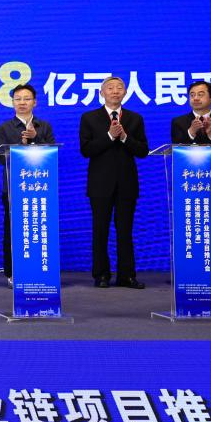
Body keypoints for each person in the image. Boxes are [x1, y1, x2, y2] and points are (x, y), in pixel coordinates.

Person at [79, 76, 149, 288]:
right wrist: (109, 136)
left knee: (125, 231)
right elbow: (86, 150)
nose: (115, 91)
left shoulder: (135, 118)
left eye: (119, 88)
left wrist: (125, 138)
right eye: (110, 88)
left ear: (125, 92)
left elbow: (143, 151)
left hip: (127, 184)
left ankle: (126, 275)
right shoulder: (89, 118)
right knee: (100, 230)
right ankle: (101, 275)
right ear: (102, 93)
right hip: (100, 184)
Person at [171, 80, 211, 289]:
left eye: (200, 94)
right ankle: (187, 274)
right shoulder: (179, 122)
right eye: (192, 94)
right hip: (187, 184)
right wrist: (190, 132)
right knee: (188, 229)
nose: (195, 98)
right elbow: (177, 146)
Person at [0, 83, 56, 283]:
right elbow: (1, 158)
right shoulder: (5, 128)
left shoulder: (44, 127)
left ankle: (40, 271)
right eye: (18, 99)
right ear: (12, 102)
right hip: (14, 188)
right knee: (13, 231)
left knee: (40, 229)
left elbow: (51, 154)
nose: (22, 102)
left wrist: (36, 139)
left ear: (34, 102)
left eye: (27, 99)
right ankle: (12, 273)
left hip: (40, 188)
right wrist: (21, 145)